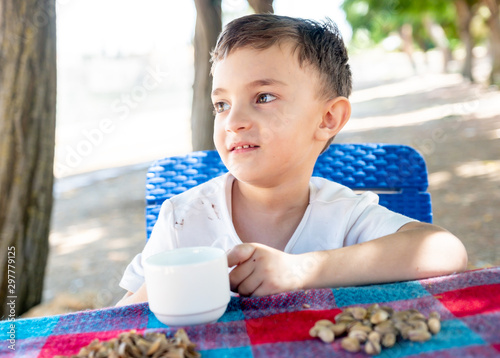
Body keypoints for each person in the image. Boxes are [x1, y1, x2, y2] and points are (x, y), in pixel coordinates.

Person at [116, 14, 467, 306]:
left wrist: (300, 271)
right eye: (221, 104)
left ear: (328, 119)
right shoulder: (183, 220)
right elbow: (116, 322)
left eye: (264, 96)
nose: (233, 120)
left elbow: (446, 251)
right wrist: (168, 284)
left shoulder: (345, 216)